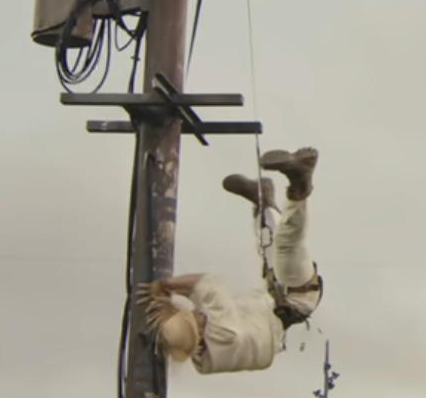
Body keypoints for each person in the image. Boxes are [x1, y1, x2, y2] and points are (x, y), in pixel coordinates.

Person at [137, 147, 323, 374]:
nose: (197, 313)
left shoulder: (205, 362)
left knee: (270, 246)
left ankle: (263, 202)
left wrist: (167, 309)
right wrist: (167, 287)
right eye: (194, 318)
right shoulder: (223, 332)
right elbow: (209, 283)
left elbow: (198, 313)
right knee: (286, 244)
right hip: (298, 298)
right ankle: (300, 184)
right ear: (199, 330)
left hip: (276, 305)